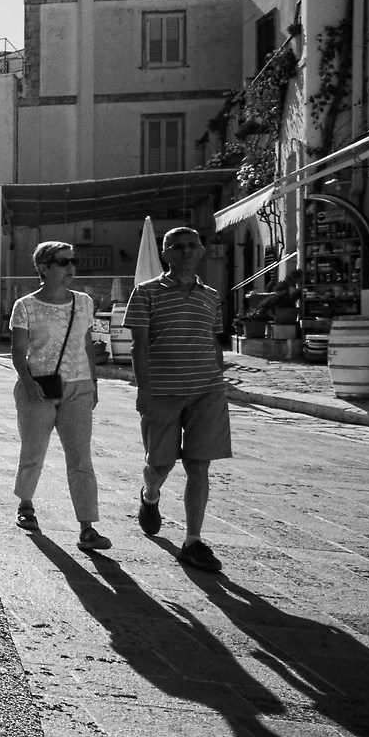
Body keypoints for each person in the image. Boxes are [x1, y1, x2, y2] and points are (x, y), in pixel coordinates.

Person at [126, 225, 230, 573]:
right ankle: (150, 495)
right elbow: (140, 345)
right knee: (161, 465)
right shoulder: (146, 293)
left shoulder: (210, 295)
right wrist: (143, 390)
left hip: (207, 391)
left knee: (199, 466)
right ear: (166, 253)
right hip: (162, 391)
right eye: (177, 247)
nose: (186, 252)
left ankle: (193, 541)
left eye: (191, 245)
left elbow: (213, 339)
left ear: (201, 250)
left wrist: (221, 374)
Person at [9, 242, 109, 553]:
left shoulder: (83, 302)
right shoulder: (25, 306)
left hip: (78, 387)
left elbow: (87, 344)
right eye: (63, 262)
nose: (71, 268)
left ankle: (87, 527)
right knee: (34, 450)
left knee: (81, 457)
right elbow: (17, 350)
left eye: (73, 261)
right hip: (38, 387)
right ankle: (25, 503)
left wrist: (93, 383)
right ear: (43, 268)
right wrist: (27, 382)